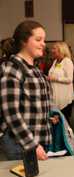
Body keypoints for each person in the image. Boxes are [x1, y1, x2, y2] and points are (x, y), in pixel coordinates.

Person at [0, 20, 57, 160]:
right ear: (24, 41)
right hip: (19, 143)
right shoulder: (13, 69)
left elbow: (32, 104)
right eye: (38, 39)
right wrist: (32, 144)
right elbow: (11, 113)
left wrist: (48, 117)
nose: (43, 43)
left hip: (37, 139)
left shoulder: (34, 69)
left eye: (44, 39)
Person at [48, 42, 74, 123]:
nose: (52, 50)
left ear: (61, 50)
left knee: (64, 122)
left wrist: (55, 78)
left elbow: (69, 79)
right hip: (55, 97)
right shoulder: (55, 61)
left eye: (54, 48)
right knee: (57, 123)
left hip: (64, 99)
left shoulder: (67, 61)